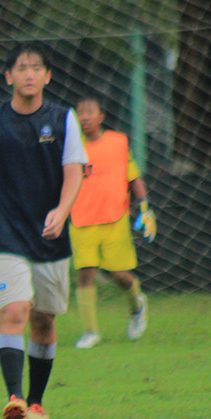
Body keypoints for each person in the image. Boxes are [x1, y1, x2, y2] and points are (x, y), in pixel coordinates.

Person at [0, 42, 87, 419]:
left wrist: (62, 211)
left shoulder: (63, 119)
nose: (29, 74)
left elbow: (74, 170)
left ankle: (37, 402)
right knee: (15, 311)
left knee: (44, 320)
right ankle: (15, 397)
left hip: (50, 236)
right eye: (21, 68)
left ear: (47, 75)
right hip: (5, 234)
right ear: (8, 76)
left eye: (36, 67)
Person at [69, 95, 154, 349]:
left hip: (114, 219)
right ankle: (90, 332)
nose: (84, 117)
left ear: (101, 116)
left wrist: (145, 208)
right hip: (81, 220)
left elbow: (134, 177)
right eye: (80, 112)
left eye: (89, 111)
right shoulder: (71, 147)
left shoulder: (118, 143)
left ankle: (137, 304)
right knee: (85, 275)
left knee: (120, 276)